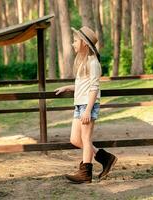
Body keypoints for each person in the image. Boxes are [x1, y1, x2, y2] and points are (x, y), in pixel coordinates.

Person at [54, 26, 117, 184]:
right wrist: (68, 87)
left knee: (86, 139)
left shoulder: (93, 63)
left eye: (75, 41)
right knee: (76, 139)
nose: (73, 44)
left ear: (84, 44)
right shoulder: (83, 62)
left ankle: (85, 173)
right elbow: (84, 85)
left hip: (88, 106)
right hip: (79, 105)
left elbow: (94, 88)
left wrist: (88, 110)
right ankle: (106, 158)